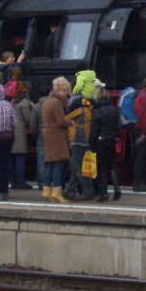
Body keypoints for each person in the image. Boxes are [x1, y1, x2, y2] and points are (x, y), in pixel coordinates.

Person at [61, 71, 98, 203]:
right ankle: (69, 190)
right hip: (87, 135)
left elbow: (64, 118)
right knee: (76, 163)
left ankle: (88, 191)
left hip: (78, 136)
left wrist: (71, 122)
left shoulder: (77, 105)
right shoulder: (90, 103)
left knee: (77, 164)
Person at [40, 76, 71, 202]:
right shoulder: (57, 103)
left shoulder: (47, 101)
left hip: (48, 134)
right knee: (58, 163)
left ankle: (46, 190)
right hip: (57, 135)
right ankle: (57, 192)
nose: (66, 94)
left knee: (50, 163)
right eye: (65, 91)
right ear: (59, 90)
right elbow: (61, 121)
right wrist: (72, 121)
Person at [91, 85, 121, 202]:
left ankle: (103, 193)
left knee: (101, 168)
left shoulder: (96, 111)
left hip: (100, 142)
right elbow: (117, 127)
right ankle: (117, 190)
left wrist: (91, 144)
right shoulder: (114, 110)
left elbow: (94, 130)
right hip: (111, 141)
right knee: (110, 166)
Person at [11, 81, 33, 190]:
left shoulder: (10, 101)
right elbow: (28, 118)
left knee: (12, 159)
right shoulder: (24, 102)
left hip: (10, 132)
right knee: (20, 159)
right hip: (19, 132)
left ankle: (13, 181)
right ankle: (20, 182)